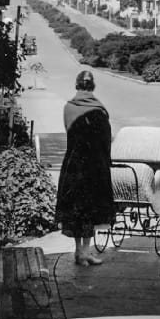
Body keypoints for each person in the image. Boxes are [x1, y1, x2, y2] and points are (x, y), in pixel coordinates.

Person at [55, 70, 114, 266]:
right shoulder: (99, 109)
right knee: (90, 207)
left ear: (77, 85)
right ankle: (86, 253)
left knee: (75, 208)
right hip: (93, 165)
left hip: (72, 163)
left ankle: (79, 251)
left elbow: (69, 131)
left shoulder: (68, 107)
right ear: (93, 86)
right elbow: (106, 139)